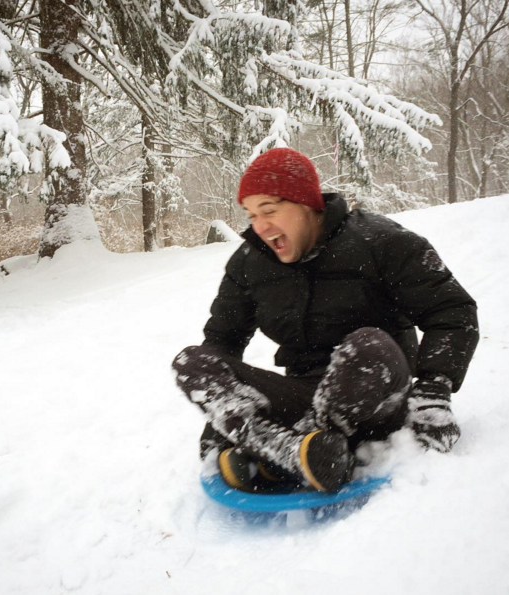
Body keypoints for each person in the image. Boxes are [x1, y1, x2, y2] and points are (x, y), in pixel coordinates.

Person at [172, 148, 479, 494]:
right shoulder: (249, 263)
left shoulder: (381, 241)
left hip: (379, 396)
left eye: (269, 210)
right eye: (251, 214)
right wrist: (226, 416)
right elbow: (221, 342)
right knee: (191, 362)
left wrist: (433, 394)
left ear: (306, 204)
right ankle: (287, 450)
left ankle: (301, 446)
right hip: (305, 394)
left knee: (368, 343)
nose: (259, 226)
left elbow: (453, 311)